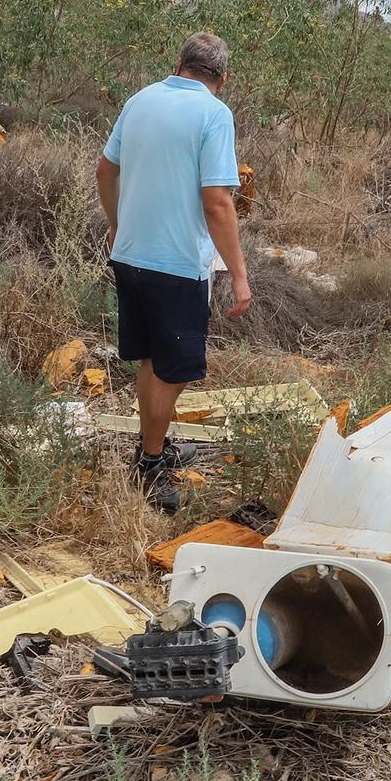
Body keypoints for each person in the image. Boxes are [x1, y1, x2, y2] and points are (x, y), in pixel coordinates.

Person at [96, 31, 252, 510]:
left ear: (179, 63)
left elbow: (105, 171)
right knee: (173, 369)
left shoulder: (140, 100)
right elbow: (218, 203)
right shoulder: (214, 113)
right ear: (221, 79)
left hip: (130, 254)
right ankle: (149, 463)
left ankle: (152, 447)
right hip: (177, 265)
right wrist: (240, 275)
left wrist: (117, 225)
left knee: (152, 361)